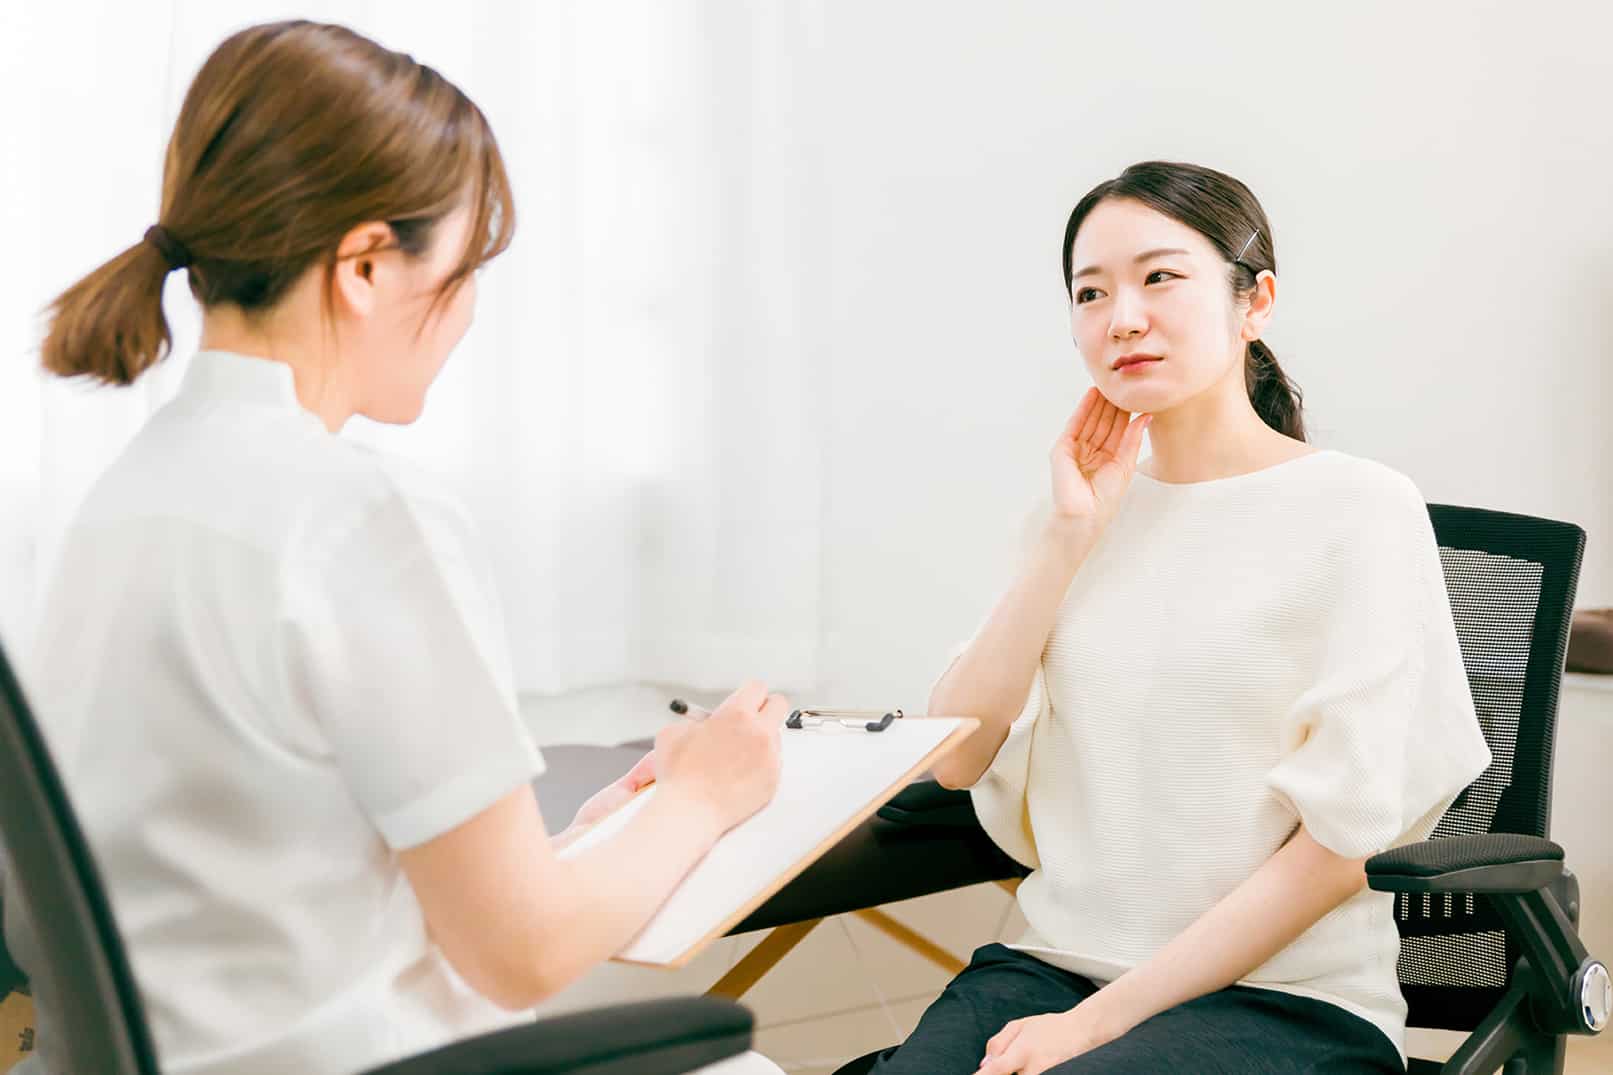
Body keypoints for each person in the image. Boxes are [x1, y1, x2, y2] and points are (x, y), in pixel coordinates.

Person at [3, 20, 788, 1075]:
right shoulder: (350, 511)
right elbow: (525, 955)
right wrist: (704, 795)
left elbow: (258, 902)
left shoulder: (122, 503)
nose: (465, 315)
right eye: (464, 270)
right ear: (367, 266)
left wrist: (577, 848)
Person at [857, 161, 1492, 1074]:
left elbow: (1338, 849)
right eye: (1090, 291)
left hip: (1284, 1002)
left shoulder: (1359, 510)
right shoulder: (1070, 514)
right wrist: (1069, 537)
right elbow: (959, 754)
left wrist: (1096, 1023)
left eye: (1159, 277)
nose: (1121, 317)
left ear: (1254, 301)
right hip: (1052, 967)